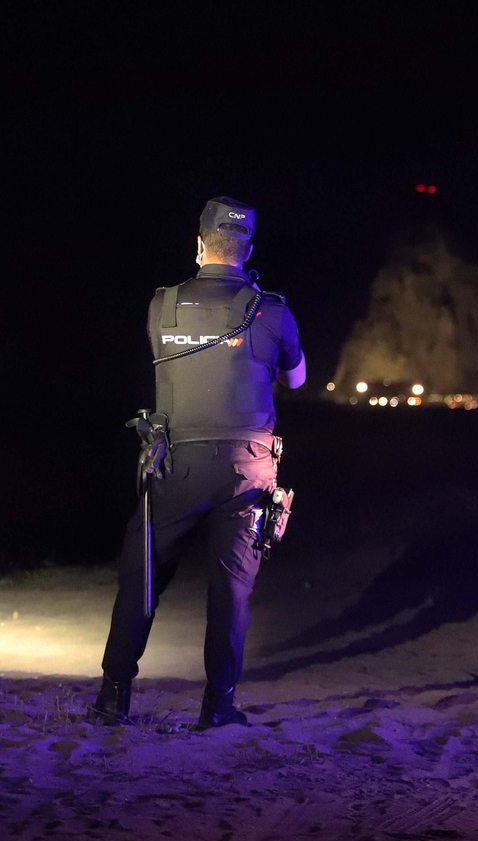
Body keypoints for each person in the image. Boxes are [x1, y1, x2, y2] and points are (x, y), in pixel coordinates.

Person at [93, 197, 306, 730]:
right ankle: (220, 706)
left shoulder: (160, 305)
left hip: (174, 466)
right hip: (246, 471)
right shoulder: (271, 308)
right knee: (231, 591)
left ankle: (113, 698)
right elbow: (296, 378)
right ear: (248, 249)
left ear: (199, 244)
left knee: (141, 579)